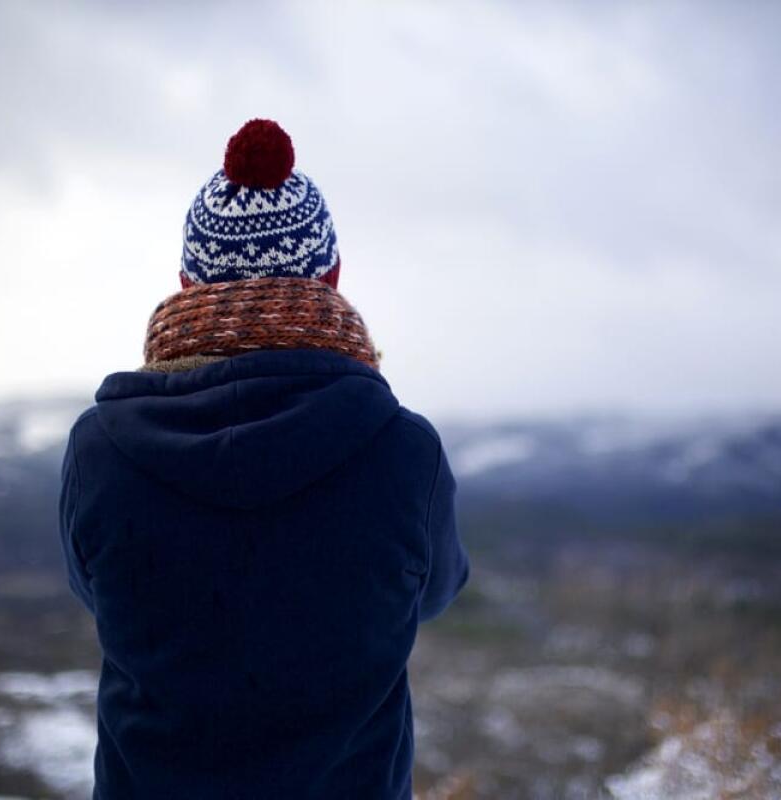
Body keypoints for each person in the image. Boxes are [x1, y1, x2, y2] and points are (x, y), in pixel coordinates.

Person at [57, 119, 470, 800]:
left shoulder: (99, 450)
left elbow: (93, 590)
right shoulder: (405, 453)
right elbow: (433, 592)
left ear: (186, 282)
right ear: (331, 277)